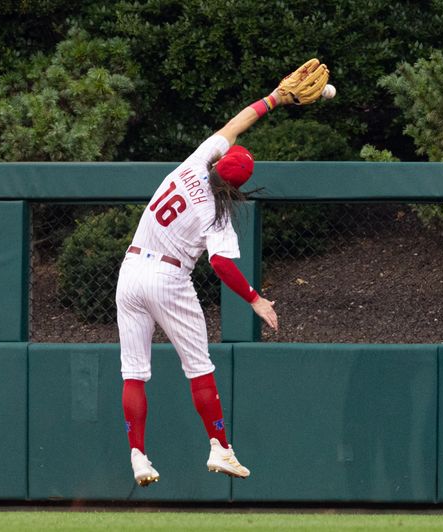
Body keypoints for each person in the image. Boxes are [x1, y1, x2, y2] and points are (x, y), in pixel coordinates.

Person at [116, 59, 330, 486]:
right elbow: (220, 264)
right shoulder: (217, 213)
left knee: (134, 372)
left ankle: (138, 454)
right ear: (236, 185)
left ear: (219, 164)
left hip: (130, 270)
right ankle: (220, 448)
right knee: (199, 369)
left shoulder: (192, 165)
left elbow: (233, 127)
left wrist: (273, 99)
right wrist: (254, 298)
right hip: (168, 280)